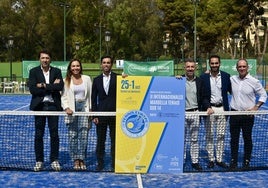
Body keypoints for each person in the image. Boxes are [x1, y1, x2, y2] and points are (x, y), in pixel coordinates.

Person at [28, 49, 64, 171]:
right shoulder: (33, 72)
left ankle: (54, 160)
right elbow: (33, 90)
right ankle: (39, 161)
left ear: (50, 59)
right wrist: (51, 87)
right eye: (43, 58)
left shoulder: (57, 71)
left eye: (47, 58)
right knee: (39, 135)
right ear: (39, 59)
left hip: (54, 106)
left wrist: (43, 85)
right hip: (39, 106)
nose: (45, 60)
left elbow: (60, 86)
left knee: (54, 134)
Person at [229, 58, 267, 170]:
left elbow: (263, 95)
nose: (242, 68)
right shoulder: (232, 79)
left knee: (247, 138)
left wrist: (256, 107)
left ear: (247, 67)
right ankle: (234, 161)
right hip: (234, 114)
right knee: (234, 139)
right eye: (240, 67)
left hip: (248, 115)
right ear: (237, 68)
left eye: (243, 66)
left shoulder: (254, 81)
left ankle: (246, 161)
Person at [178, 59, 213, 171]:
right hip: (181, 114)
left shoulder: (200, 81)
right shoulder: (179, 80)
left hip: (195, 113)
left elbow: (203, 97)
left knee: (194, 139)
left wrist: (208, 106)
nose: (190, 69)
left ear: (195, 68)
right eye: (188, 67)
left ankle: (195, 161)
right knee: (181, 139)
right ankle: (181, 161)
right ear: (184, 68)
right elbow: (164, 84)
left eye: (192, 67)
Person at [200, 55, 231, 169]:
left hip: (222, 109)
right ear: (209, 64)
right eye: (212, 63)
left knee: (221, 135)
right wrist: (208, 106)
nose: (214, 65)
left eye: (216, 63)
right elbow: (202, 95)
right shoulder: (203, 77)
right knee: (209, 135)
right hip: (209, 110)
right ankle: (211, 159)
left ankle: (219, 159)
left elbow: (233, 90)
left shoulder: (226, 76)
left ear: (219, 63)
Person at [61, 59, 92, 170]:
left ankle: (82, 159)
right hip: (71, 110)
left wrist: (91, 111)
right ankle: (76, 160)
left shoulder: (87, 79)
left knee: (84, 135)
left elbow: (90, 96)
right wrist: (66, 108)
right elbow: (63, 97)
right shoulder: (66, 81)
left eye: (77, 66)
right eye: (73, 66)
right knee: (73, 136)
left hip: (84, 108)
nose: (75, 68)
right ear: (70, 68)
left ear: (80, 67)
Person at [91, 55, 117, 171]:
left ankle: (114, 164)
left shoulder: (119, 78)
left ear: (111, 64)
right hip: (101, 115)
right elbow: (93, 99)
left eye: (108, 62)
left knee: (114, 141)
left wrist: (126, 78)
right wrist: (94, 115)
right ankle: (100, 163)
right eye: (104, 62)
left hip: (115, 115)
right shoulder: (96, 80)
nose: (106, 64)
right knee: (100, 141)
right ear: (101, 65)